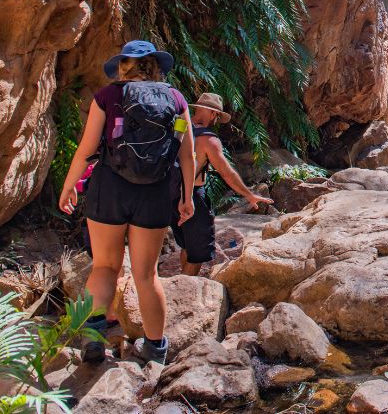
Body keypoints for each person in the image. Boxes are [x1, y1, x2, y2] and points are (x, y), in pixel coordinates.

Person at [59, 40, 195, 365]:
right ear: (155, 67)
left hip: (110, 189)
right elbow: (186, 153)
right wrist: (187, 197)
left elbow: (87, 148)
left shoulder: (107, 96)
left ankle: (93, 337)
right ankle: (155, 350)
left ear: (123, 67)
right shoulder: (176, 100)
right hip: (156, 193)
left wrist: (69, 186)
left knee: (105, 266)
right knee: (147, 275)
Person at [173, 93, 273, 276]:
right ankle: (184, 285)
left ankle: (180, 280)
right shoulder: (209, 140)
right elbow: (226, 173)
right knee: (198, 252)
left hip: (169, 193)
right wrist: (248, 194)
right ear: (213, 114)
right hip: (192, 196)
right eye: (218, 116)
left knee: (186, 245)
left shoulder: (179, 126)